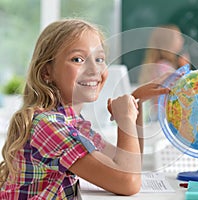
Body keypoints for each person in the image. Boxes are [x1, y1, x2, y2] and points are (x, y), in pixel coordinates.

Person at [0, 18, 170, 199]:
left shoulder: (74, 123)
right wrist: (125, 119)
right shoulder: (48, 126)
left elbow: (129, 163)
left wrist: (135, 104)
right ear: (46, 72)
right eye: (78, 59)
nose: (93, 69)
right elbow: (128, 181)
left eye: (99, 59)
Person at [138, 25, 189, 121]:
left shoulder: (160, 65)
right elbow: (180, 92)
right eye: (179, 37)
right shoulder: (164, 67)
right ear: (169, 42)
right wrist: (186, 71)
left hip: (157, 114)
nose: (182, 40)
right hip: (163, 116)